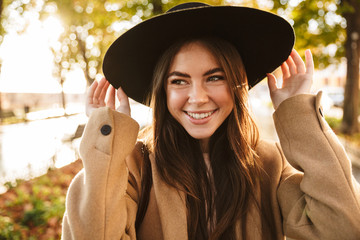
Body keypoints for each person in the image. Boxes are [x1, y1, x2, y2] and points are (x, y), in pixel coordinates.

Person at [61, 2, 360, 240]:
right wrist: (107, 146)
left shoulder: (269, 164)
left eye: (214, 77)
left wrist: (300, 114)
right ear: (162, 92)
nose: (198, 97)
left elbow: (342, 227)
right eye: (179, 81)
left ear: (236, 83)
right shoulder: (134, 169)